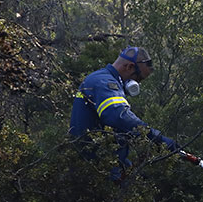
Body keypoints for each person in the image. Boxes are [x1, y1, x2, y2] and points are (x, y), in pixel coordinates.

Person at [69, 46, 179, 178]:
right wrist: (156, 138)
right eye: (138, 79)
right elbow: (118, 117)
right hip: (96, 169)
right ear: (129, 67)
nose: (137, 83)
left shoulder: (105, 79)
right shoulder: (106, 83)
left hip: (103, 163)